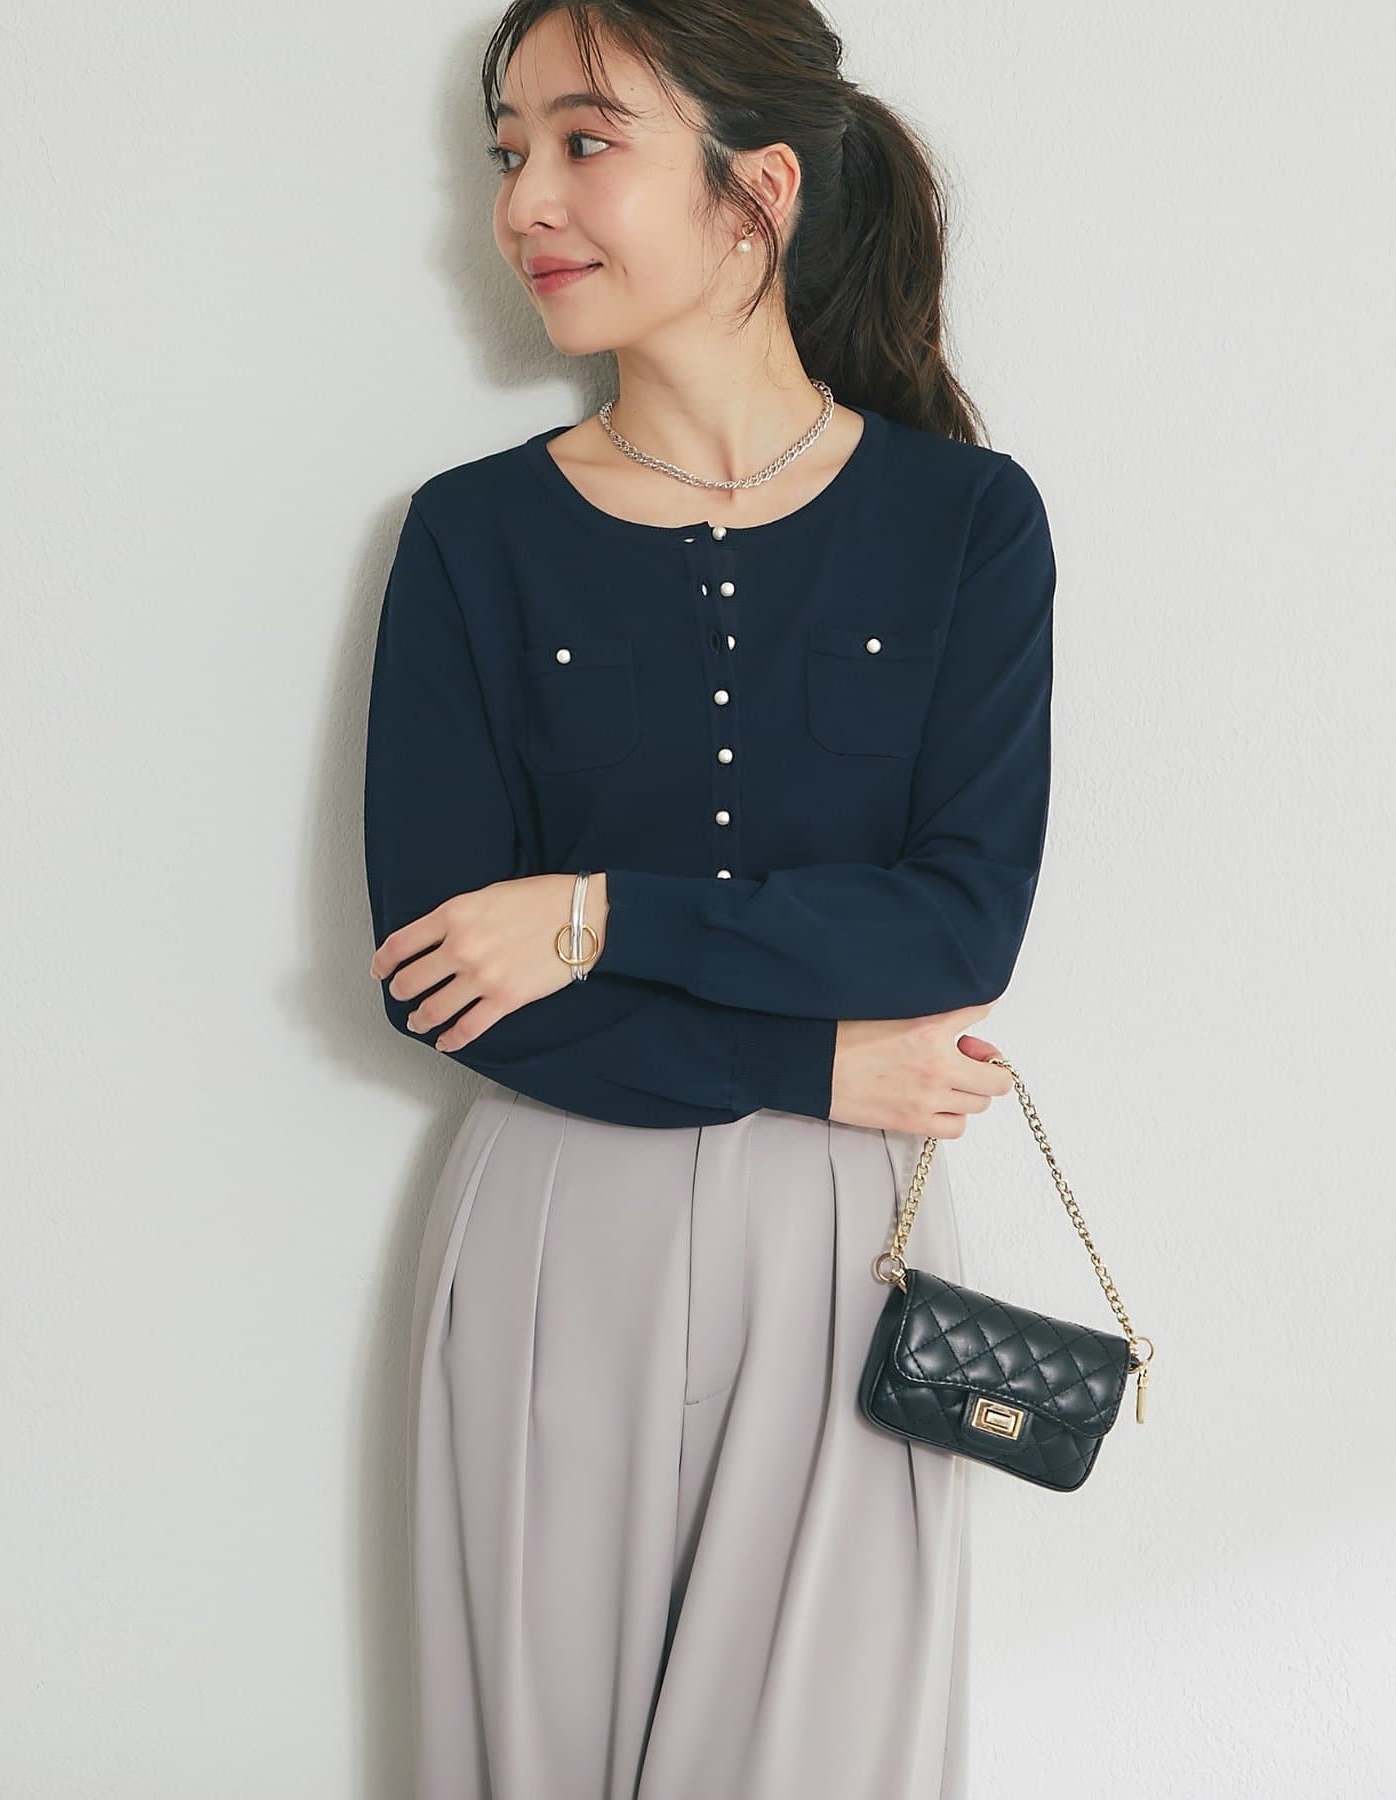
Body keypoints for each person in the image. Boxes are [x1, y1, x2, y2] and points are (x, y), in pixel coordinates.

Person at [362, 4, 1056, 1795]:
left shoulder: (967, 523)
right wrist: (807, 1060)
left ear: (760, 187)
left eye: (585, 141)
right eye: (508, 150)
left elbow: (958, 926)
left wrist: (598, 913)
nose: (523, 201)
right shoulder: (470, 537)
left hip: (849, 1240)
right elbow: (442, 977)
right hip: (554, 1221)